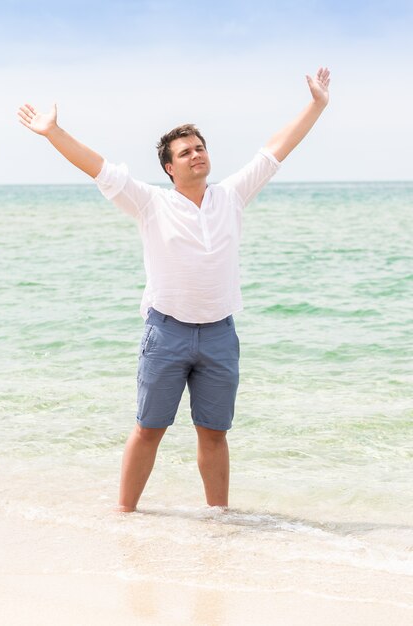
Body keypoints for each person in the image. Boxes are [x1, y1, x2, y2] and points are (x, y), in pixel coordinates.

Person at [18, 67, 330, 513]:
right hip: (166, 333)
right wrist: (53, 132)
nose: (196, 155)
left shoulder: (232, 195)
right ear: (169, 167)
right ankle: (124, 516)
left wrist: (316, 105)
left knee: (214, 432)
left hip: (220, 334)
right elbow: (99, 168)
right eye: (185, 152)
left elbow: (274, 151)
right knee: (149, 428)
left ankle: (218, 519)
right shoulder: (150, 203)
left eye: (200, 148)